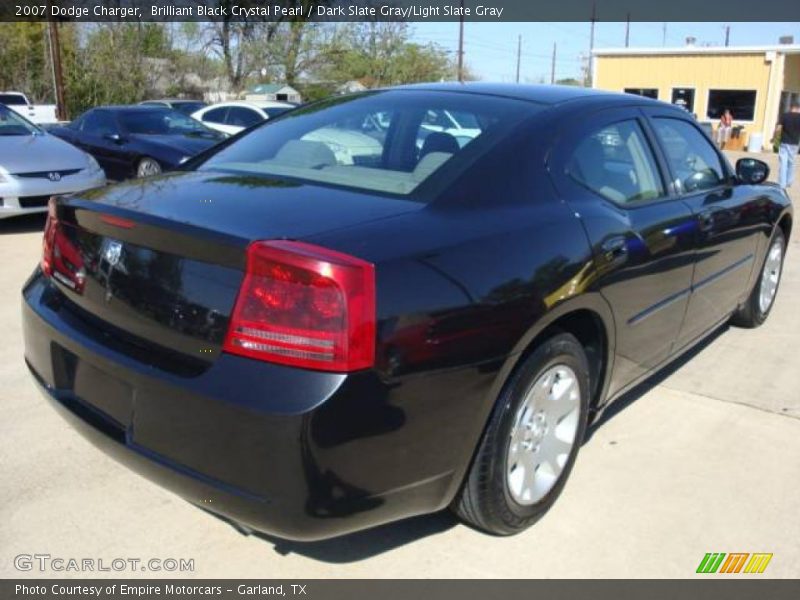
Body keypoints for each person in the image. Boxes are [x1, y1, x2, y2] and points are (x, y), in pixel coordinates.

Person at [773, 99, 800, 191]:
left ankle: (782, 184)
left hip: (784, 142)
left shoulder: (785, 116)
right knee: (791, 162)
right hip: (795, 143)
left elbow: (778, 129)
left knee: (783, 163)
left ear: (791, 107)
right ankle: (789, 181)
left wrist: (775, 140)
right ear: (798, 108)